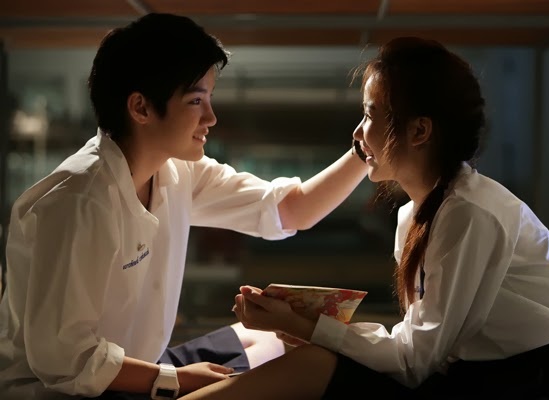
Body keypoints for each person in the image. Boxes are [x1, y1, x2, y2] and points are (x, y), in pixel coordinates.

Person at [179, 37, 549, 400]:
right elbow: (417, 346)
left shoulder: (470, 213)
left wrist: (306, 325)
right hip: (486, 371)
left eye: (369, 115)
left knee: (312, 365)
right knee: (300, 356)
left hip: (541, 379)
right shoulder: (415, 215)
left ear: (419, 132)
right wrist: (303, 325)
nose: (357, 134)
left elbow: (415, 360)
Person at [0, 13, 369, 400]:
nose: (211, 117)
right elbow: (65, 361)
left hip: (138, 365)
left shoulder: (176, 170)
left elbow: (289, 209)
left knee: (277, 341)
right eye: (196, 101)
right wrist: (176, 379)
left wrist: (365, 150)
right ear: (141, 108)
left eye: (209, 99)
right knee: (312, 367)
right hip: (69, 391)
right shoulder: (79, 201)